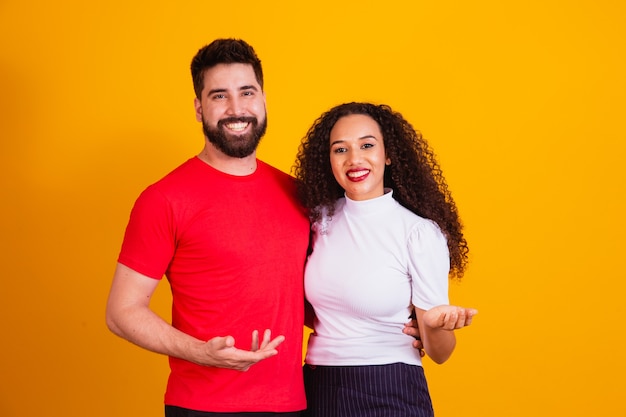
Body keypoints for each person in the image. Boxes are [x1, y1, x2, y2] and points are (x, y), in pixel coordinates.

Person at [105, 38, 311, 416]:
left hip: (292, 405)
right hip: (202, 406)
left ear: (263, 99)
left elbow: (310, 299)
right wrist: (200, 352)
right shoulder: (163, 199)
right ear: (200, 109)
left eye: (246, 92)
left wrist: (398, 323)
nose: (236, 109)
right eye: (219, 96)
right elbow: (121, 311)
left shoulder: (298, 193)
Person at [293, 102, 478, 417]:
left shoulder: (418, 233)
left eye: (367, 145)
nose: (354, 159)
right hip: (317, 386)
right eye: (341, 150)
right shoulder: (319, 220)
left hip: (388, 387)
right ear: (329, 160)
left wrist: (435, 325)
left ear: (388, 154)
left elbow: (441, 354)